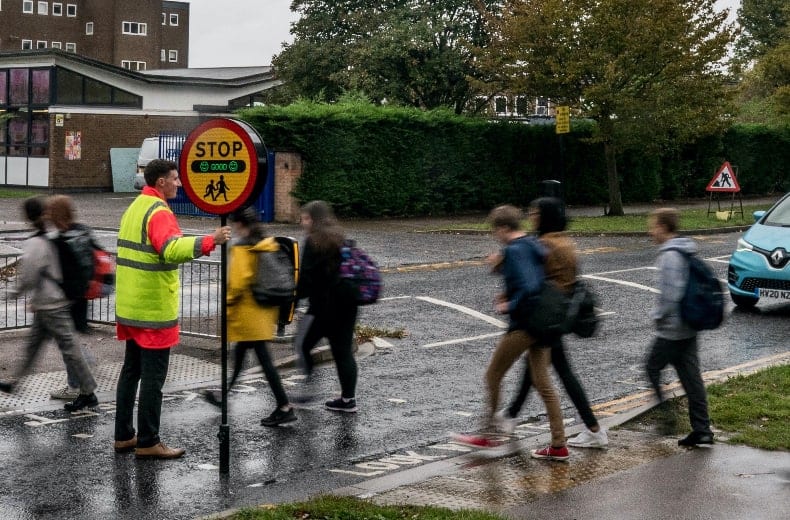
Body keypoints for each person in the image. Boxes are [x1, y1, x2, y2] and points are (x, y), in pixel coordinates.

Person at [113, 159, 231, 459]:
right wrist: (210, 240)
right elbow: (171, 249)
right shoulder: (159, 212)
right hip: (153, 309)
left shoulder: (135, 208)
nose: (179, 183)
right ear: (161, 182)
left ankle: (124, 435)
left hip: (131, 304)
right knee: (153, 378)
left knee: (131, 372)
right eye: (175, 179)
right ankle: (149, 441)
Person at [455, 203, 570, 461]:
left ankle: (488, 436)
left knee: (492, 375)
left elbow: (529, 286)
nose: (495, 236)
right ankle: (559, 444)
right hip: (542, 323)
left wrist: (510, 303)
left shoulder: (515, 250)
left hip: (524, 325)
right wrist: (502, 267)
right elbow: (534, 275)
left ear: (504, 228)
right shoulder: (530, 244)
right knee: (544, 384)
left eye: (496, 231)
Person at [497, 197, 608, 449]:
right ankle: (511, 415)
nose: (532, 215)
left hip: (547, 313)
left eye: (536, 212)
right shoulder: (565, 241)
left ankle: (592, 430)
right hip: (558, 313)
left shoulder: (545, 244)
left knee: (557, 371)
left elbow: (530, 275)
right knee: (539, 368)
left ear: (546, 216)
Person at [0, 197, 99, 412]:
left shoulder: (37, 241)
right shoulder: (51, 235)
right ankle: (14, 383)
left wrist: (12, 293)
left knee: (70, 349)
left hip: (53, 305)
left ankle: (88, 391)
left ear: (27, 217)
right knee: (33, 347)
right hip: (47, 303)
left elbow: (29, 277)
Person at [204, 206, 297, 427]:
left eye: (235, 224)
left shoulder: (244, 248)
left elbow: (237, 284)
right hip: (263, 312)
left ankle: (284, 406)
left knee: (264, 362)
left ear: (240, 225)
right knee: (241, 357)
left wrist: (226, 310)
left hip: (247, 314)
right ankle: (224, 397)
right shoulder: (265, 243)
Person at [646, 208, 714, 447]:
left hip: (672, 329)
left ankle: (667, 418)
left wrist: (657, 315)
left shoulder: (670, 255)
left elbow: (671, 293)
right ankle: (702, 429)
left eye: (653, 225)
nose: (650, 230)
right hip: (689, 325)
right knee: (691, 379)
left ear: (664, 228)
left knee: (651, 367)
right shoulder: (685, 250)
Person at [295, 200, 359, 412]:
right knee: (343, 352)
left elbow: (305, 279)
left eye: (305, 218)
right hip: (348, 304)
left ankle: (309, 390)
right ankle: (348, 399)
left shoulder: (313, 241)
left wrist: (293, 301)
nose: (302, 222)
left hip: (323, 307)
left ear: (314, 219)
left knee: (302, 344)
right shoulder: (340, 237)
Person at [47, 194, 98, 400]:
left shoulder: (60, 240)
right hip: (83, 295)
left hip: (67, 298)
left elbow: (59, 272)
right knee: (70, 341)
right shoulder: (83, 231)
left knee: (68, 344)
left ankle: (74, 386)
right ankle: (82, 367)